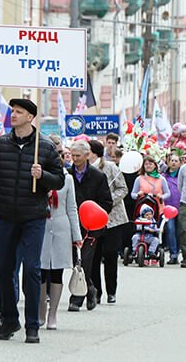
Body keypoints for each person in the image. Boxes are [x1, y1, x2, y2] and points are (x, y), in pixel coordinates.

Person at [0, 98, 65, 344]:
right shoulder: (2, 144)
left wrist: (43, 175)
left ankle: (32, 325)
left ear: (30, 117)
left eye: (18, 112)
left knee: (32, 270)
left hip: (34, 216)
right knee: (4, 269)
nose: (13, 115)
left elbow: (59, 179)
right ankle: (9, 320)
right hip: (6, 215)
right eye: (12, 111)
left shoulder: (45, 147)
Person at [65, 141, 112, 313]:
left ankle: (76, 298)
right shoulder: (66, 174)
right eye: (72, 155)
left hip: (91, 227)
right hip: (70, 224)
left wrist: (95, 215)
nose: (75, 159)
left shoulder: (98, 176)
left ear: (87, 155)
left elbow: (107, 202)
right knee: (73, 260)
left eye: (78, 156)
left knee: (84, 260)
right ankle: (90, 288)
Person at [40, 162, 82, 330]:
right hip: (41, 226)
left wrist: (76, 235)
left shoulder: (67, 179)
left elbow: (72, 208)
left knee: (57, 272)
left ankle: (53, 313)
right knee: (40, 271)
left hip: (61, 227)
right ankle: (41, 309)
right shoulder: (38, 175)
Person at [87, 140, 128, 305]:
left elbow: (122, 188)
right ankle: (96, 291)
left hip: (112, 218)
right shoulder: (84, 170)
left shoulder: (110, 167)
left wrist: (107, 201)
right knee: (94, 257)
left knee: (110, 254)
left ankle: (112, 291)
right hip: (92, 219)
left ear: (94, 153)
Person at [162, 154, 182, 264]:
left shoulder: (182, 176)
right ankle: (173, 254)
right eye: (172, 160)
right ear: (168, 162)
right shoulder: (163, 176)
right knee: (170, 230)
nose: (174, 162)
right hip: (168, 208)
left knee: (179, 232)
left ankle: (177, 252)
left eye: (176, 160)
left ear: (180, 163)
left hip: (181, 207)